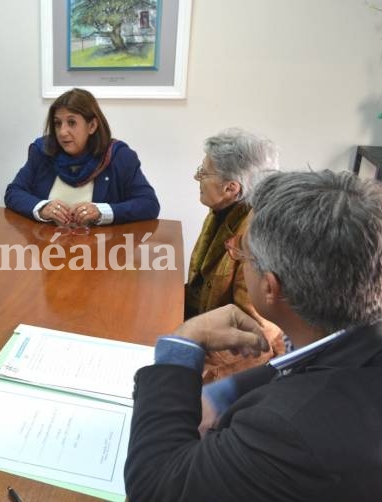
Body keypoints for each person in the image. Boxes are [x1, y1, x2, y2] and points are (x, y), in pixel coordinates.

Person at [125, 170, 382, 501]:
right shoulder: (354, 330)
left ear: (269, 287)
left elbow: (154, 489)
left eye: (241, 252)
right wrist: (223, 392)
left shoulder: (288, 430)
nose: (236, 254)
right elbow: (310, 369)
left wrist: (182, 344)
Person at [186, 128, 284, 382]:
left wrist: (182, 353)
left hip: (233, 364)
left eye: (203, 172)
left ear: (231, 188)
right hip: (205, 332)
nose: (196, 177)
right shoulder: (224, 210)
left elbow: (255, 334)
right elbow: (201, 283)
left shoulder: (255, 239)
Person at [4, 88, 159, 226]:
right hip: (48, 250)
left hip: (100, 251)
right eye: (58, 123)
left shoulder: (118, 156)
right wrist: (42, 207)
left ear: (91, 126)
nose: (62, 132)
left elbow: (149, 204)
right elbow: (14, 192)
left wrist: (101, 212)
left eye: (71, 122)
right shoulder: (43, 152)